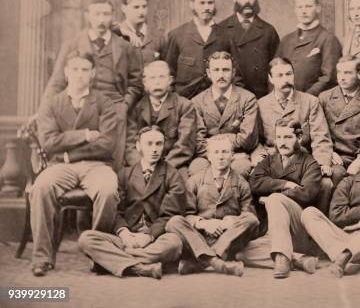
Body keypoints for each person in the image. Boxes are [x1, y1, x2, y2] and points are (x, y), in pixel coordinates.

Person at [31, 50, 119, 276]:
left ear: (93, 73)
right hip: (61, 167)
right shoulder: (52, 104)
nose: (80, 75)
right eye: (75, 69)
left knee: (108, 190)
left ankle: (99, 255)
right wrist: (85, 135)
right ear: (66, 72)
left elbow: (107, 144)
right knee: (41, 187)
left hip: (96, 165)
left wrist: (69, 151)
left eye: (85, 70)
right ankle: (42, 257)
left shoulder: (104, 102)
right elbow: (49, 143)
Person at [41, 0, 143, 170]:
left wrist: (125, 105)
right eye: (97, 14)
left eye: (106, 14)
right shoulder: (72, 44)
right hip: (81, 102)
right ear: (87, 16)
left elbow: (136, 83)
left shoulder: (125, 47)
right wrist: (44, 108)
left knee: (114, 151)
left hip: (114, 104)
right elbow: (57, 81)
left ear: (113, 16)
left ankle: (112, 183)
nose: (101, 19)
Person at [78, 126, 184, 279]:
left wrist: (148, 236)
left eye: (159, 144)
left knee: (174, 243)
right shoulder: (124, 174)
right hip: (127, 238)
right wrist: (124, 233)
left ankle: (109, 261)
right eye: (149, 144)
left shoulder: (173, 175)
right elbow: (116, 211)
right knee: (86, 238)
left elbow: (170, 215)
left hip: (155, 239)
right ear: (138, 146)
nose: (154, 149)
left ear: (164, 146)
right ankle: (142, 268)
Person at [237, 119, 321, 278]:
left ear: (299, 138)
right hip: (272, 232)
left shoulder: (309, 163)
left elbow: (307, 192)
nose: (282, 142)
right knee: (240, 254)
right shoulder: (268, 161)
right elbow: (254, 182)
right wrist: (285, 184)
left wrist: (272, 198)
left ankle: (283, 257)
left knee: (275, 199)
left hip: (298, 228)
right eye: (279, 137)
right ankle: (299, 259)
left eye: (288, 138)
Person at [165, 135, 258, 276]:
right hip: (200, 237)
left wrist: (229, 222)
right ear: (208, 156)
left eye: (225, 152)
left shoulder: (241, 183)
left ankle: (201, 262)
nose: (220, 157)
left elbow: (250, 216)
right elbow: (187, 214)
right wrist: (203, 224)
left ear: (232, 155)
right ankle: (217, 262)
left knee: (251, 220)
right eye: (216, 152)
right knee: (174, 222)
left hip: (228, 238)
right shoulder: (194, 181)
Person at [254, 57, 334, 211]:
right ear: (270, 79)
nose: (285, 79)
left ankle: (315, 224)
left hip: (303, 160)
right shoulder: (261, 105)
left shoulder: (310, 102)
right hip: (274, 162)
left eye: (288, 74)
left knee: (325, 183)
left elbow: (320, 138)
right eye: (280, 76)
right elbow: (256, 140)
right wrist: (260, 156)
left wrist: (323, 162)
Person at [189, 51, 258, 179]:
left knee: (240, 170)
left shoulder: (248, 99)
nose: (221, 75)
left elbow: (248, 139)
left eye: (226, 70)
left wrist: (221, 148)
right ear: (209, 73)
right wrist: (218, 154)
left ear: (233, 72)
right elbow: (197, 141)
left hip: (238, 156)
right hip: (206, 156)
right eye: (216, 70)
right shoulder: (196, 102)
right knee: (196, 169)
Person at [126, 61, 197, 182]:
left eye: (161, 77)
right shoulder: (136, 108)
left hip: (174, 165)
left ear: (170, 80)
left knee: (182, 190)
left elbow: (184, 145)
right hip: (142, 166)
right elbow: (130, 144)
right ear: (145, 82)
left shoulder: (184, 106)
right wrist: (144, 167)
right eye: (152, 78)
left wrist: (162, 169)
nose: (157, 82)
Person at [318, 55, 360, 186]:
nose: (342, 77)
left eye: (347, 72)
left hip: (358, 155)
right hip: (334, 154)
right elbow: (319, 132)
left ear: (359, 74)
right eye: (339, 72)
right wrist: (328, 153)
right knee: (332, 176)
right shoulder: (324, 98)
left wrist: (359, 160)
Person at [165, 0, 233, 99]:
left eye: (210, 3)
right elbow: (169, 73)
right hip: (185, 101)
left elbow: (235, 73)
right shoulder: (177, 35)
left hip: (216, 101)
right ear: (192, 5)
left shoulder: (226, 35)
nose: (206, 7)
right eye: (202, 3)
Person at [219, 0, 280, 98]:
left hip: (262, 97)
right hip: (232, 96)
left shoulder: (268, 31)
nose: (247, 0)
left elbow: (277, 69)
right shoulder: (221, 29)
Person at [277, 0, 342, 96]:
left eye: (308, 6)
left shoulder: (328, 39)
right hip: (285, 101)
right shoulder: (286, 40)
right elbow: (274, 72)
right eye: (300, 7)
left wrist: (306, 99)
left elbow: (329, 78)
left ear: (318, 9)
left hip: (313, 101)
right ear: (295, 10)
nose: (304, 11)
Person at [111, 0, 167, 65]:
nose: (141, 12)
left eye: (144, 6)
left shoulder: (158, 36)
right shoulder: (115, 34)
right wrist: (128, 33)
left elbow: (166, 67)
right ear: (123, 8)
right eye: (136, 7)